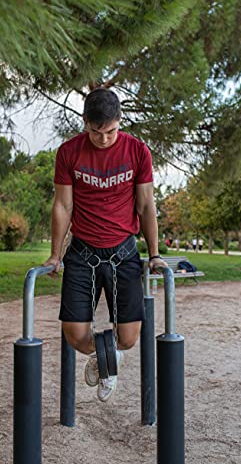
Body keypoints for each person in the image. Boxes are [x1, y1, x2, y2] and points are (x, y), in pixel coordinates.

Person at [44, 88, 167, 403]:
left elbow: (146, 205)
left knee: (128, 338)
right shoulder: (69, 152)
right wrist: (55, 255)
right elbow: (62, 206)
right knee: (74, 334)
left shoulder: (138, 151)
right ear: (85, 122)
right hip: (82, 253)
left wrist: (154, 254)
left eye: (110, 131)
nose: (103, 138)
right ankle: (107, 360)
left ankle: (108, 357)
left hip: (123, 253)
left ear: (120, 121)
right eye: (96, 131)